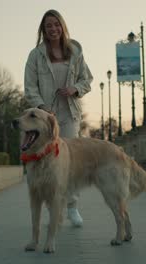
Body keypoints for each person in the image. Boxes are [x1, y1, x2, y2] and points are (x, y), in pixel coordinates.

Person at [24, 9, 93, 227]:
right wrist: (42, 107)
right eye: (48, 26)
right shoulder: (36, 55)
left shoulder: (75, 51)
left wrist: (75, 88)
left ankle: (72, 207)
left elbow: (87, 79)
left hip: (69, 114)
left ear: (62, 26)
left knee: (69, 163)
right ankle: (52, 209)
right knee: (46, 161)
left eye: (56, 24)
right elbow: (29, 87)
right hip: (44, 119)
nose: (53, 29)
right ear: (43, 30)